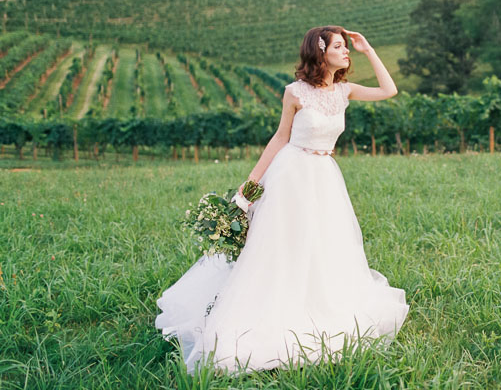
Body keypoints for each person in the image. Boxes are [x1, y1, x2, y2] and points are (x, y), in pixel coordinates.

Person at [155, 26, 409, 374]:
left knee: (324, 246)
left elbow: (389, 89)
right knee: (282, 247)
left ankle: (318, 305)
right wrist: (249, 187)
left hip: (325, 178)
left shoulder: (345, 90)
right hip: (291, 174)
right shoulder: (295, 92)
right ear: (320, 52)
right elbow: (279, 139)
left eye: (346, 47)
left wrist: (367, 50)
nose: (345, 51)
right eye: (340, 46)